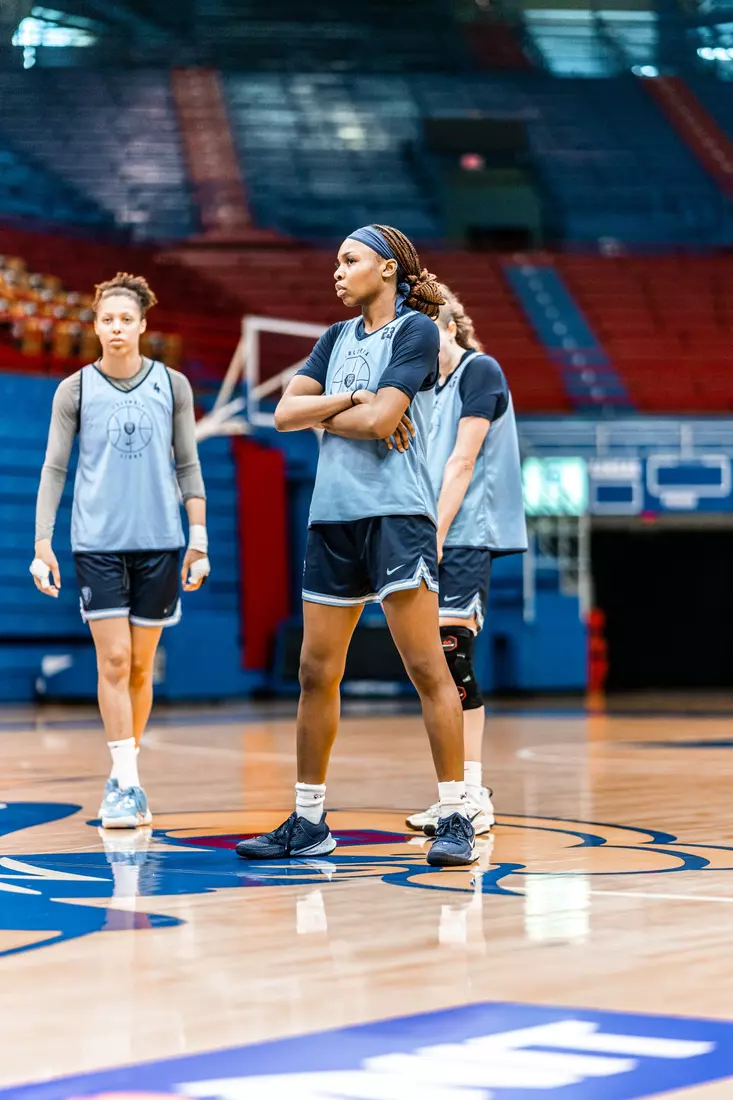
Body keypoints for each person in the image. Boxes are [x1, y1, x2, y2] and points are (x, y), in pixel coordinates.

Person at [235, 225, 476, 867]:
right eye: (336, 261)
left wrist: (336, 411)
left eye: (350, 260)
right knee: (315, 672)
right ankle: (309, 820)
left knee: (427, 668)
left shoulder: (416, 331)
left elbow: (380, 421)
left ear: (388, 267)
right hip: (333, 518)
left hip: (398, 516)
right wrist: (354, 398)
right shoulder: (334, 338)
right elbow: (283, 414)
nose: (337, 271)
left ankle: (456, 813)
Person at [30, 272, 210, 829]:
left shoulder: (173, 385)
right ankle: (126, 783)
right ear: (95, 325)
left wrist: (199, 540)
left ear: (142, 325)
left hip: (161, 542)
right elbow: (54, 468)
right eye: (107, 319)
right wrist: (42, 542)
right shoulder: (74, 390)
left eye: (125, 319)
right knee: (112, 660)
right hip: (97, 545)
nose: (116, 328)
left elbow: (188, 466)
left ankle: (127, 777)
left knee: (139, 666)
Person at [406, 285, 527, 837]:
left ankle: (473, 793)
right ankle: (451, 794)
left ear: (450, 327)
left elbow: (462, 462)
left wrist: (434, 533)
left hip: (464, 532)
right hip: (425, 532)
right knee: (430, 668)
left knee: (453, 659)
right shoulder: (422, 384)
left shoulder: (481, 371)